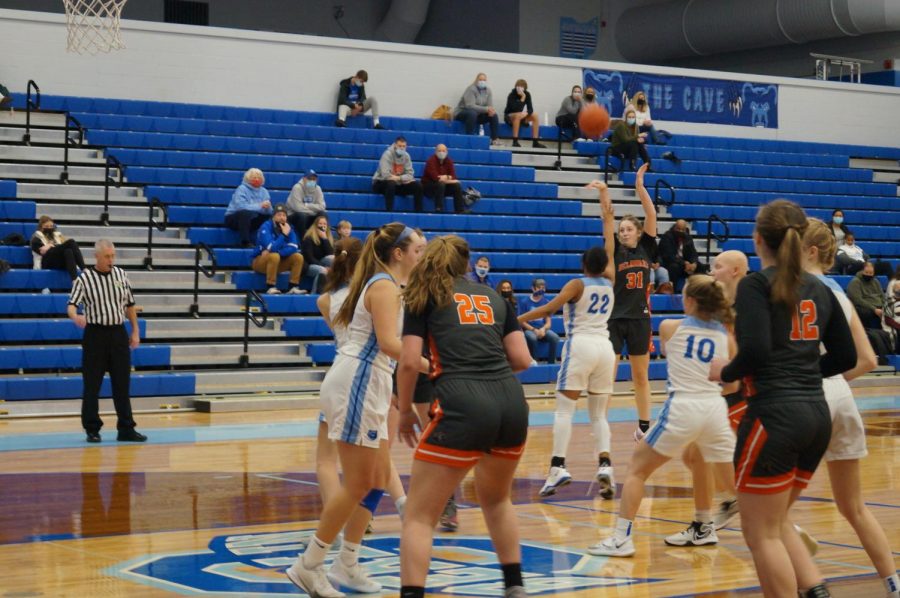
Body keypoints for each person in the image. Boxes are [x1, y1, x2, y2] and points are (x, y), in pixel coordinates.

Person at [707, 199, 856, 598]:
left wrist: (725, 370)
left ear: (758, 240)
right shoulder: (820, 288)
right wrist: (805, 372)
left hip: (774, 416)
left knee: (761, 534)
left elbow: (754, 351)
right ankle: (813, 587)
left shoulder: (757, 285)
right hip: (815, 417)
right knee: (775, 524)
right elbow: (847, 357)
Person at [286, 223, 426, 598]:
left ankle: (346, 562)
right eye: (417, 250)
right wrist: (436, 365)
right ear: (398, 253)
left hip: (371, 383)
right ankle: (309, 565)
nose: (421, 256)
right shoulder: (381, 286)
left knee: (378, 478)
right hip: (358, 382)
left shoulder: (391, 286)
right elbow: (389, 343)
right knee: (360, 482)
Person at [396, 234, 532, 598]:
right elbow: (522, 360)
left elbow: (409, 361)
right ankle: (514, 586)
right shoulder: (496, 297)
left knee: (419, 516)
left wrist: (405, 408)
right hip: (511, 402)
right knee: (497, 499)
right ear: (467, 264)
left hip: (462, 401)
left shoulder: (422, 297)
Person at [589, 275, 738, 557]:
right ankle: (785, 530)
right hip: (716, 409)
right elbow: (733, 385)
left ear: (691, 301)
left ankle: (621, 538)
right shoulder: (725, 335)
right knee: (731, 485)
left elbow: (672, 352)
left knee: (637, 469)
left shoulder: (670, 327)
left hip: (684, 406)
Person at [801, 219, 900, 598]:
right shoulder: (839, 292)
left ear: (808, 249)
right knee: (854, 507)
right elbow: (868, 360)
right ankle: (892, 584)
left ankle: (809, 581)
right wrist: (835, 382)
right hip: (839, 395)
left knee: (766, 512)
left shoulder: (792, 289)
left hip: (806, 397)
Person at [520, 206, 617, 500]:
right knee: (599, 415)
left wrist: (518, 320)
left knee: (564, 410)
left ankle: (558, 467)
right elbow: (610, 252)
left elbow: (549, 308)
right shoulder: (611, 282)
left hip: (582, 346)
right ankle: (605, 464)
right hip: (606, 348)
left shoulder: (577, 284)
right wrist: (608, 220)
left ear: (584, 263)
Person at [680, 250, 748, 533]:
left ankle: (724, 510)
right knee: (694, 456)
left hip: (740, 394)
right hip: (720, 393)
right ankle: (733, 502)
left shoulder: (749, 303)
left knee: (699, 455)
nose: (712, 270)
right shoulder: (721, 304)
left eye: (717, 266)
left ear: (734, 271)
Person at [67, 240, 147, 444]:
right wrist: (76, 317)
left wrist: (135, 330)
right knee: (92, 384)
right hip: (95, 335)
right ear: (97, 256)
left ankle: (126, 428)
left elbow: (130, 304)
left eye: (113, 256)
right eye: (107, 256)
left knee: (122, 383)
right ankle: (92, 429)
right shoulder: (84, 278)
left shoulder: (121, 275)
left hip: (118, 333)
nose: (111, 260)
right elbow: (71, 305)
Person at [314, 236, 364, 541]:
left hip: (338, 373)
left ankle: (337, 518)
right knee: (367, 459)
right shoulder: (375, 292)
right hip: (368, 375)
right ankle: (361, 518)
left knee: (325, 458)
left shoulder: (324, 300)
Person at [602, 163, 656, 440]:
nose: (624, 232)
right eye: (621, 229)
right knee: (607, 377)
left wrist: (639, 187)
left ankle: (644, 425)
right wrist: (604, 200)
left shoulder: (647, 247)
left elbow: (651, 213)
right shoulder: (614, 253)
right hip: (614, 318)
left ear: (637, 231)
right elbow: (607, 223)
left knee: (640, 377)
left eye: (628, 229)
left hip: (639, 318)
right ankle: (602, 425)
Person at [251, 204, 305, 295]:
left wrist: (279, 252)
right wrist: (283, 235)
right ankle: (270, 286)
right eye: (279, 215)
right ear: (273, 216)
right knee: (274, 256)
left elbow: (294, 247)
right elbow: (271, 247)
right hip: (260, 261)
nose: (282, 218)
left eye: (284, 215)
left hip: (277, 260)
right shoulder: (266, 226)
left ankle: (293, 286)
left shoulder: (289, 228)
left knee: (298, 257)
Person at [372, 136, 424, 213]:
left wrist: (399, 178)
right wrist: (403, 178)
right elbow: (386, 175)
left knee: (418, 185)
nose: (402, 148)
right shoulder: (387, 154)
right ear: (395, 145)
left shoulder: (406, 156)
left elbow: (410, 175)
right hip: (381, 183)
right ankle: (389, 212)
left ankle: (418, 213)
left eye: (404, 146)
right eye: (400, 146)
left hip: (398, 183)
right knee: (391, 183)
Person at [225, 168, 272, 248]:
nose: (257, 179)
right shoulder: (241, 189)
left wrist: (267, 208)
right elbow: (240, 207)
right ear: (248, 179)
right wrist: (259, 206)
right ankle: (245, 241)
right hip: (234, 218)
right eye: (254, 177)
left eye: (259, 177)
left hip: (253, 218)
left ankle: (268, 242)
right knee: (245, 213)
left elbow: (269, 211)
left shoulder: (264, 191)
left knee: (271, 217)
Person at [517, 278, 560, 365]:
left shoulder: (546, 302)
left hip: (542, 329)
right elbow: (522, 321)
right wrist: (534, 330)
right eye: (539, 287)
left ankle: (551, 363)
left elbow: (548, 322)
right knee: (532, 338)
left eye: (543, 288)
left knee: (555, 337)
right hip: (529, 329)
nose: (541, 290)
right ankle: (534, 362)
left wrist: (543, 329)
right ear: (533, 288)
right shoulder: (524, 302)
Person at [30, 215, 85, 280]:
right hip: (46, 262)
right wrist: (52, 246)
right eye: (46, 226)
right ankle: (84, 268)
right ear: (41, 227)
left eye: (51, 226)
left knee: (68, 251)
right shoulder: (36, 238)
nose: (49, 228)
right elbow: (42, 252)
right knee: (71, 242)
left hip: (58, 261)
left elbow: (64, 246)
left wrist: (51, 245)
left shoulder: (58, 235)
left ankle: (74, 280)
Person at [454, 73, 500, 144]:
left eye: (484, 80)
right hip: (463, 112)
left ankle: (494, 139)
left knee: (494, 115)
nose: (482, 81)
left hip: (477, 115)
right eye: (480, 79)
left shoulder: (488, 91)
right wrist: (486, 109)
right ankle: (470, 138)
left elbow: (490, 106)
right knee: (472, 113)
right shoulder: (471, 89)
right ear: (476, 80)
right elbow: (470, 106)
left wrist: (491, 110)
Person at [658, 219, 701, 292]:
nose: (680, 231)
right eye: (678, 229)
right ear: (674, 227)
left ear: (685, 229)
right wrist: (684, 263)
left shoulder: (688, 237)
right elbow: (668, 256)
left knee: (701, 267)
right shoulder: (667, 236)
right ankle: (672, 291)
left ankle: (699, 292)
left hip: (684, 264)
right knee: (674, 267)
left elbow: (693, 253)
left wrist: (694, 263)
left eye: (682, 230)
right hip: (670, 263)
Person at [422, 144, 466, 214]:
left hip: (442, 188)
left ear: (447, 152)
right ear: (435, 152)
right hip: (429, 187)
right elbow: (436, 178)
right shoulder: (431, 161)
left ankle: (459, 210)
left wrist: (447, 177)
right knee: (441, 184)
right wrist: (449, 178)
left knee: (456, 186)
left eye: (443, 151)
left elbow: (453, 176)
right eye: (439, 151)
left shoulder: (449, 161)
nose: (441, 152)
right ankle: (439, 209)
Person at [503, 79, 546, 148]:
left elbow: (530, 109)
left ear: (525, 88)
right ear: (516, 87)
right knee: (517, 115)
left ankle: (535, 142)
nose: (519, 88)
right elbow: (515, 109)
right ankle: (515, 141)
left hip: (520, 116)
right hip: (510, 116)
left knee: (535, 115)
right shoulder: (511, 95)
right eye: (518, 86)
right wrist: (522, 98)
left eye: (521, 87)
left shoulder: (527, 94)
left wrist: (526, 113)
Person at [302, 214, 335, 294]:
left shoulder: (328, 238)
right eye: (320, 224)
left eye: (324, 224)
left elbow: (330, 254)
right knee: (323, 270)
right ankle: (315, 294)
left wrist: (325, 239)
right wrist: (324, 267)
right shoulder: (308, 238)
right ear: (315, 225)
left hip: (321, 262)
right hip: (309, 265)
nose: (322, 226)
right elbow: (309, 258)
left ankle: (333, 291)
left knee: (333, 259)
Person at [610, 107, 651, 171]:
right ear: (626, 118)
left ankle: (648, 165)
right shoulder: (621, 125)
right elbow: (625, 139)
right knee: (634, 144)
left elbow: (634, 139)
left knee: (639, 144)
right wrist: (638, 136)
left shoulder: (636, 126)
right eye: (629, 117)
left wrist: (640, 140)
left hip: (629, 148)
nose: (631, 119)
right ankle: (632, 165)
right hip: (617, 148)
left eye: (633, 117)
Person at [286, 170, 326, 234]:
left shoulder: (318, 189)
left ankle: (322, 238)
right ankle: (302, 240)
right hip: (294, 216)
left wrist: (307, 205)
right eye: (309, 179)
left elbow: (322, 206)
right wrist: (314, 211)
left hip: (309, 216)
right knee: (302, 215)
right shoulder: (297, 188)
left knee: (322, 214)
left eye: (314, 179)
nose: (312, 181)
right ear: (304, 179)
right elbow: (298, 208)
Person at [847, 262, 885, 330]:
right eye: (866, 272)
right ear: (862, 271)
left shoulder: (876, 281)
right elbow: (857, 300)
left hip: (879, 306)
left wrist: (884, 306)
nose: (868, 274)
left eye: (871, 273)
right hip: (864, 307)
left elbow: (882, 295)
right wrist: (874, 309)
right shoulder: (855, 282)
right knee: (865, 313)